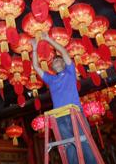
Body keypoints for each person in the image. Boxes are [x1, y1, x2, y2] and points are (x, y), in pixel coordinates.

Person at [31, 32, 97, 164]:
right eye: (53, 61)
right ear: (52, 68)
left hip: (75, 112)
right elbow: (36, 67)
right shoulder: (51, 79)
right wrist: (34, 48)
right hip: (59, 117)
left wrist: (49, 39)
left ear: (63, 62)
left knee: (84, 142)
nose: (55, 61)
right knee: (68, 147)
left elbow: (64, 52)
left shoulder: (69, 72)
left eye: (57, 59)